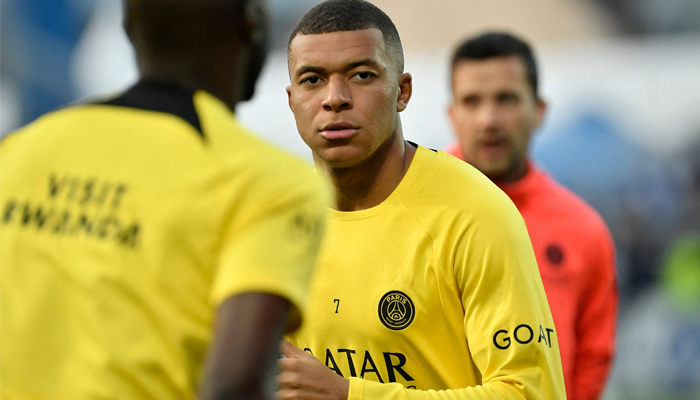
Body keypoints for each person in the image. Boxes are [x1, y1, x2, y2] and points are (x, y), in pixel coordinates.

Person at [0, 0, 328, 399]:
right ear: (250, 24)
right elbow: (235, 386)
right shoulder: (269, 183)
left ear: (128, 28)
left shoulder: (17, 151)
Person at [277, 1, 566, 399]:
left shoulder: (477, 214)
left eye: (362, 75)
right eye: (312, 79)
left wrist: (350, 395)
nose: (335, 98)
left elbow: (531, 393)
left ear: (403, 91)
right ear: (291, 99)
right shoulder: (274, 221)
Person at [445, 32, 618, 400]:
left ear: (538, 110)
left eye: (505, 99)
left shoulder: (584, 228)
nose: (488, 119)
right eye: (472, 101)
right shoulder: (413, 207)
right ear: (452, 114)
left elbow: (592, 356)